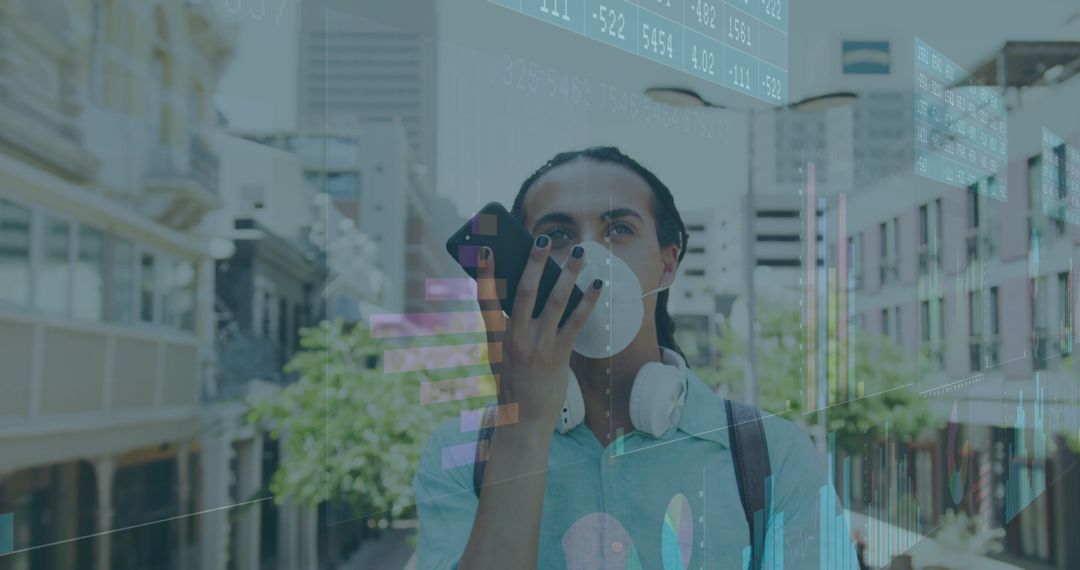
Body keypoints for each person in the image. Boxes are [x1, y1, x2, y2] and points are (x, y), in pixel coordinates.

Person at [413, 147, 857, 569]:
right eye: (558, 235)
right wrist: (524, 428)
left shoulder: (775, 455)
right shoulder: (460, 455)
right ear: (521, 270)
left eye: (619, 229)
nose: (589, 257)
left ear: (668, 263)